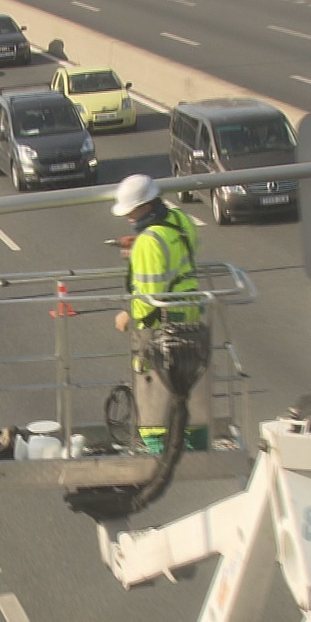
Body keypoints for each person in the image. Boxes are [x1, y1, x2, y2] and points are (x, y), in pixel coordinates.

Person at [110, 174, 205, 453]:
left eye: (131, 210)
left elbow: (149, 298)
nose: (128, 216)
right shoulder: (180, 220)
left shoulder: (149, 242)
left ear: (146, 206)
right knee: (190, 384)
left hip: (162, 327)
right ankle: (196, 442)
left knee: (155, 388)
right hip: (190, 317)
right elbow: (181, 254)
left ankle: (157, 451)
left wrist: (129, 318)